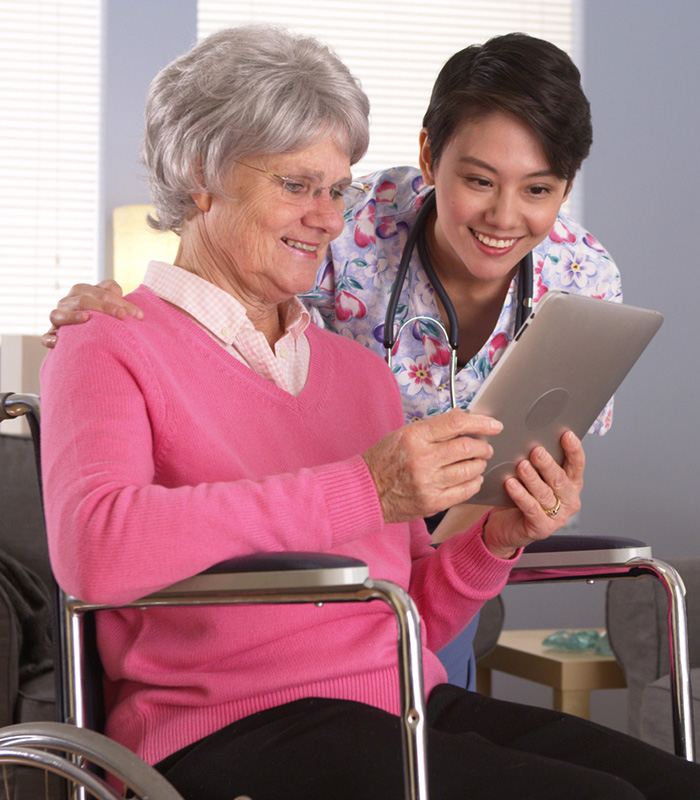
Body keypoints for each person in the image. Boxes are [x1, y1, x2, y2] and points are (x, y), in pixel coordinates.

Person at [39, 25, 700, 800]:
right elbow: (95, 550)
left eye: (336, 188)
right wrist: (365, 489)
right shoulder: (109, 344)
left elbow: (407, 610)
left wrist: (497, 537)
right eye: (295, 184)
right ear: (200, 175)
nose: (325, 216)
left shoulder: (359, 375)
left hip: (403, 700)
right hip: (227, 727)